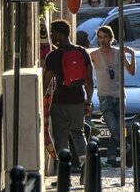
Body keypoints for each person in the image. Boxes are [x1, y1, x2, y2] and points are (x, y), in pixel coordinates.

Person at [42, 19, 93, 186]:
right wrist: (88, 102)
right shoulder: (83, 53)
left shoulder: (54, 56)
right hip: (79, 101)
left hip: (60, 102)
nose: (51, 36)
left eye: (53, 33)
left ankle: (65, 177)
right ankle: (87, 168)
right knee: (79, 133)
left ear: (60, 34)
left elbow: (46, 82)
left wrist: (40, 101)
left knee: (61, 137)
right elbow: (89, 81)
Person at [90, 25, 136, 166]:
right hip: (104, 97)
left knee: (115, 128)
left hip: (120, 96)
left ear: (111, 38)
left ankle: (110, 157)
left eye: (105, 37)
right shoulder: (93, 55)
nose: (102, 40)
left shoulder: (119, 53)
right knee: (114, 128)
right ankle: (128, 149)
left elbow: (131, 71)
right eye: (100, 37)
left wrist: (132, 55)